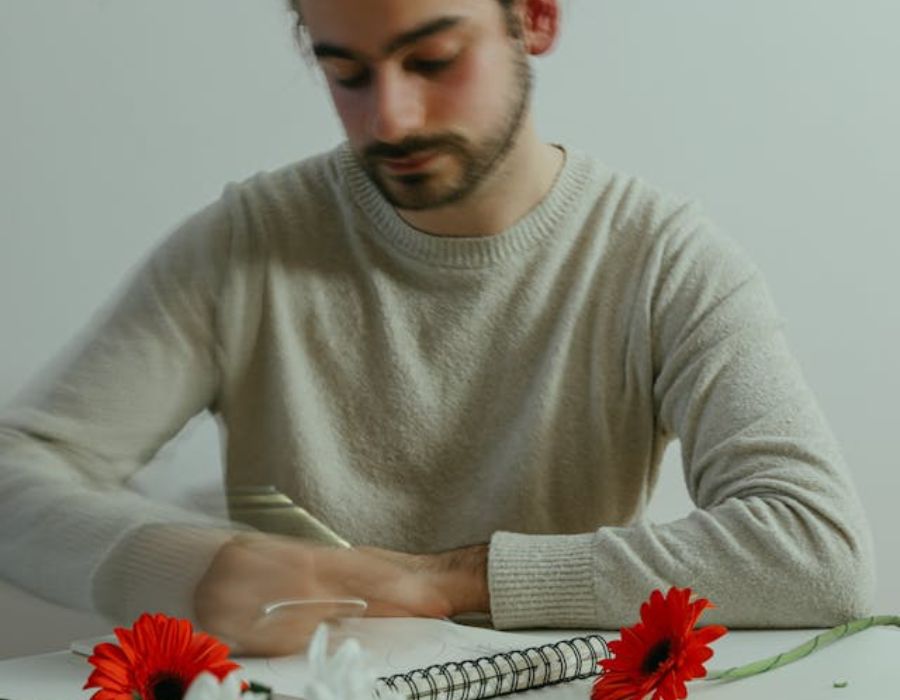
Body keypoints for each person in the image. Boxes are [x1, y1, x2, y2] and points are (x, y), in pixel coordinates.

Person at [0, 0, 875, 656]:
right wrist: (184, 564)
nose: (390, 119)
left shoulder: (661, 260)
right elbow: (13, 477)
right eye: (346, 74)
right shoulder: (245, 244)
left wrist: (441, 579)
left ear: (533, 18)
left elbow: (815, 549)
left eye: (433, 59)